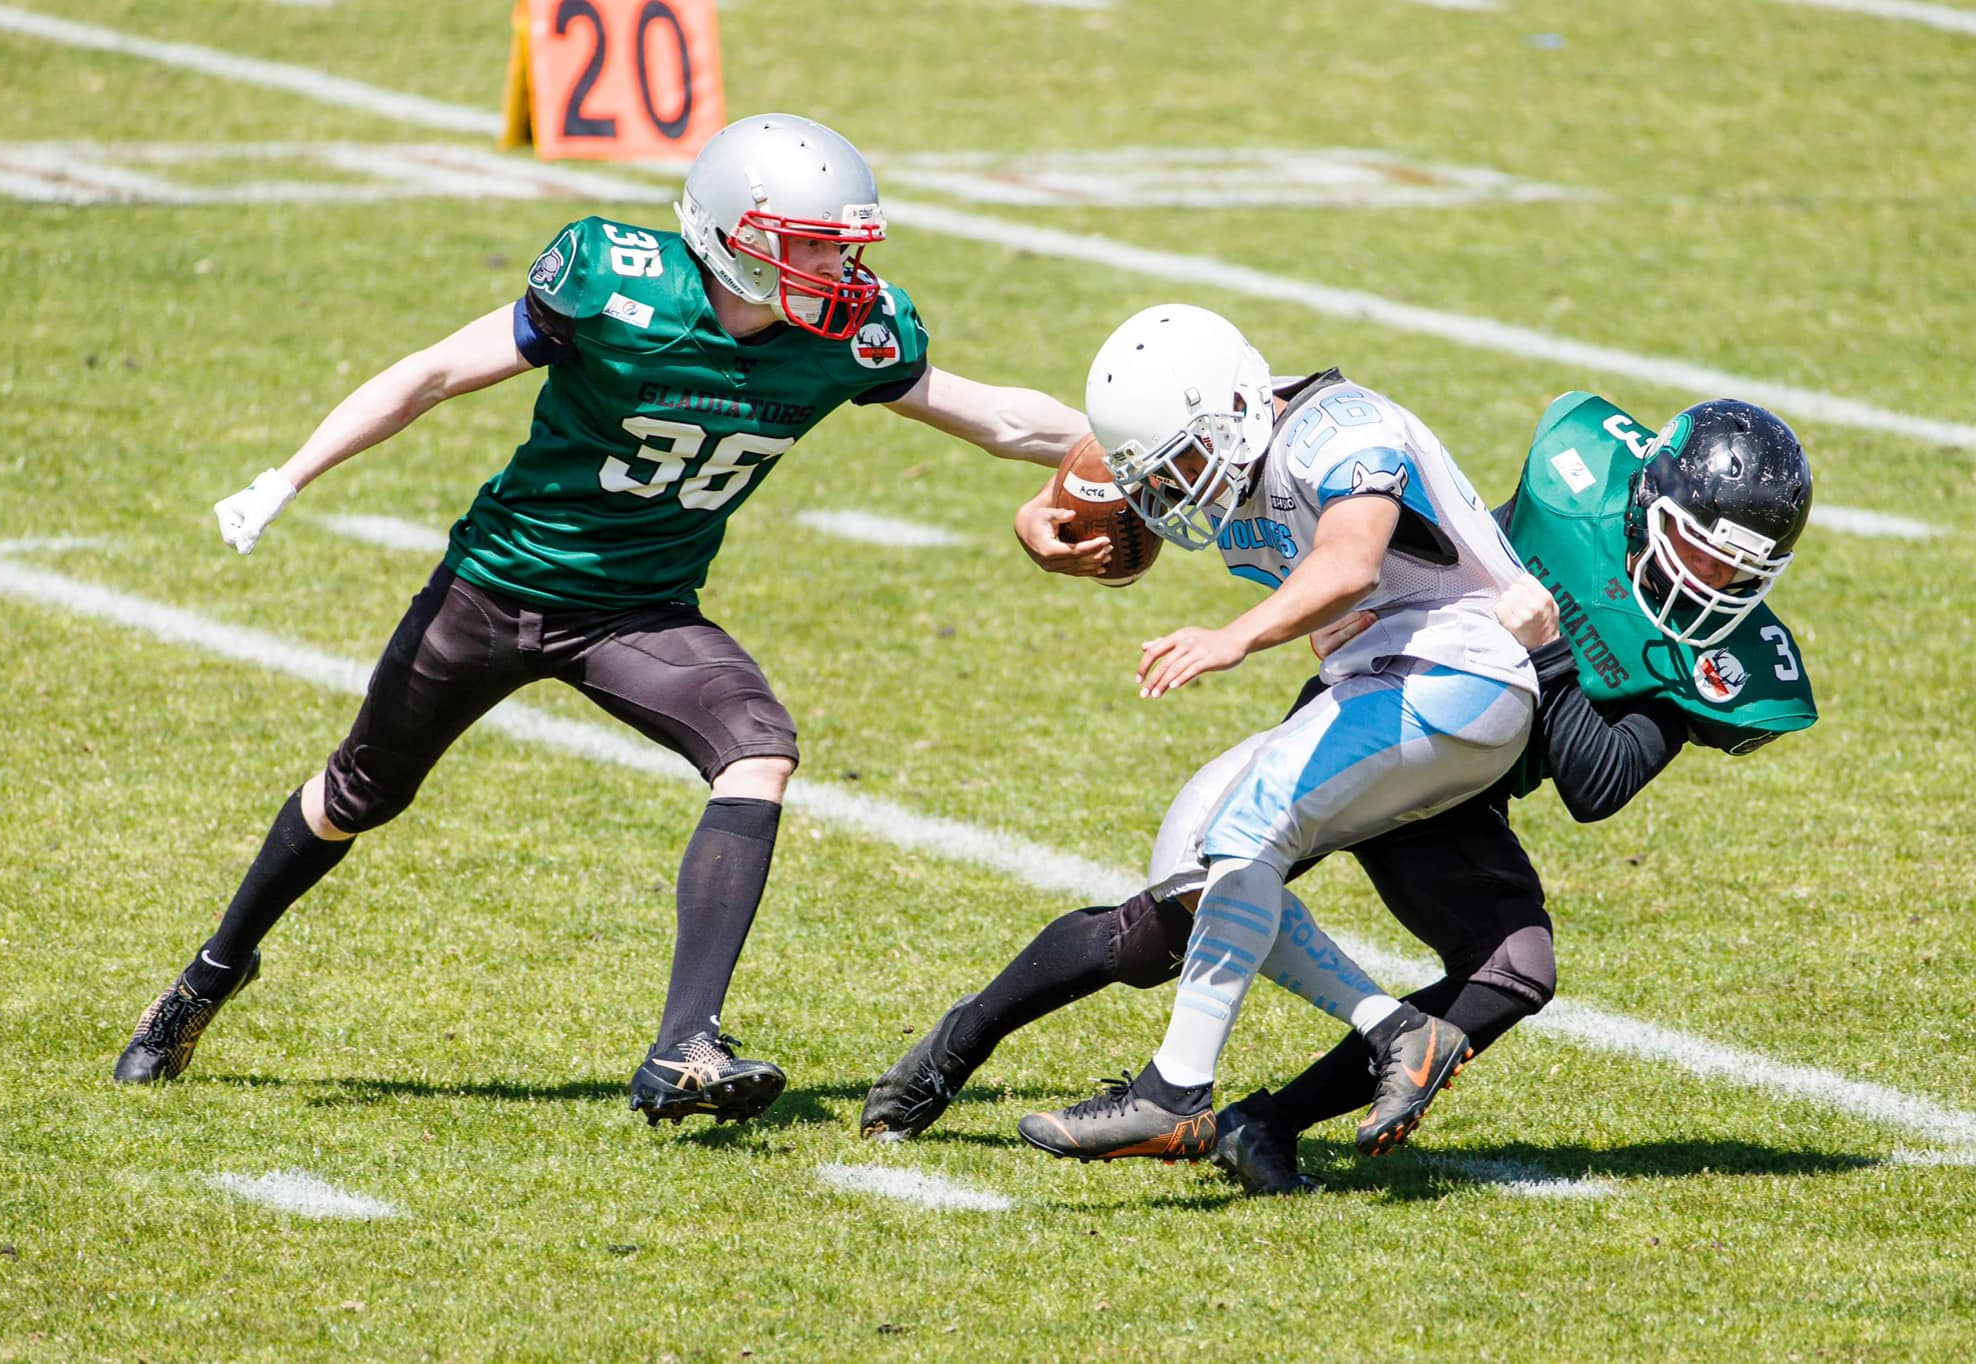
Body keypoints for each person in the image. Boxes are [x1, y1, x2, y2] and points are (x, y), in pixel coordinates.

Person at [111, 113, 1098, 1129]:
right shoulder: (615, 283)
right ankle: (207, 974)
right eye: (809, 245)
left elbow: (1003, 419)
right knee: (358, 792)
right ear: (729, 237)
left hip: (640, 611)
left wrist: (1137, 442)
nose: (836, 269)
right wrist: (288, 475)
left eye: (843, 246)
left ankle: (683, 1047)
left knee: (758, 749)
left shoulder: (844, 336)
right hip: (496, 586)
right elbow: (434, 371)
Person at [862, 391, 1816, 1193]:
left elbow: (1596, 781)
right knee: (1169, 925)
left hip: (1471, 766)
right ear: (1647, 497)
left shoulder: (1737, 661)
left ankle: (1262, 1124)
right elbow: (1210, 422)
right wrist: (1063, 488)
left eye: (1742, 567)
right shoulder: (1582, 470)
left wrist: (1554, 637)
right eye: (1700, 547)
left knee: (1515, 967)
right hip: (1399, 690)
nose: (1712, 580)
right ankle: (958, 1043)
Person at [978, 303, 1542, 1164]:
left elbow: (1351, 559)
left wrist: (1232, 636)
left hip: (1462, 672)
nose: (1179, 491)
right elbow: (1089, 454)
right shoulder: (1231, 443)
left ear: (1238, 408)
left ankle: (1173, 1092)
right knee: (1198, 858)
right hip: (1383, 682)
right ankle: (1398, 1031)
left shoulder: (1339, 430)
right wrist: (1041, 508)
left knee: (1249, 826)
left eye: (1188, 461)